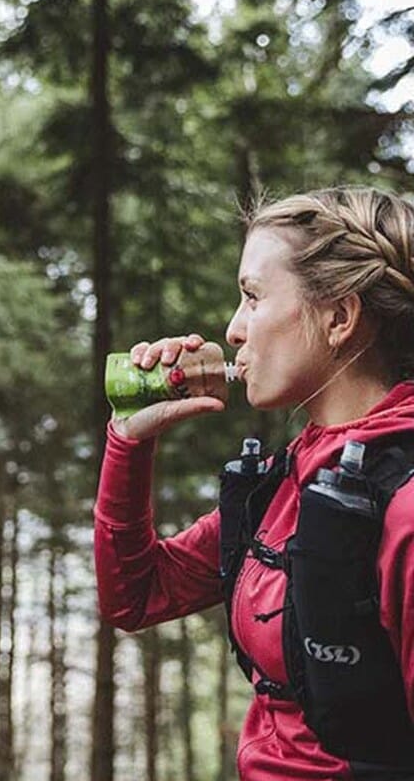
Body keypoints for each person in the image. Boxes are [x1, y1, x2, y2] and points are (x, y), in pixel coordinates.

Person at [94, 187, 414, 780]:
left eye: (252, 297)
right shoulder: (287, 480)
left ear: (338, 317)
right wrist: (129, 442)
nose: (233, 330)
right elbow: (134, 595)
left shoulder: (403, 504)